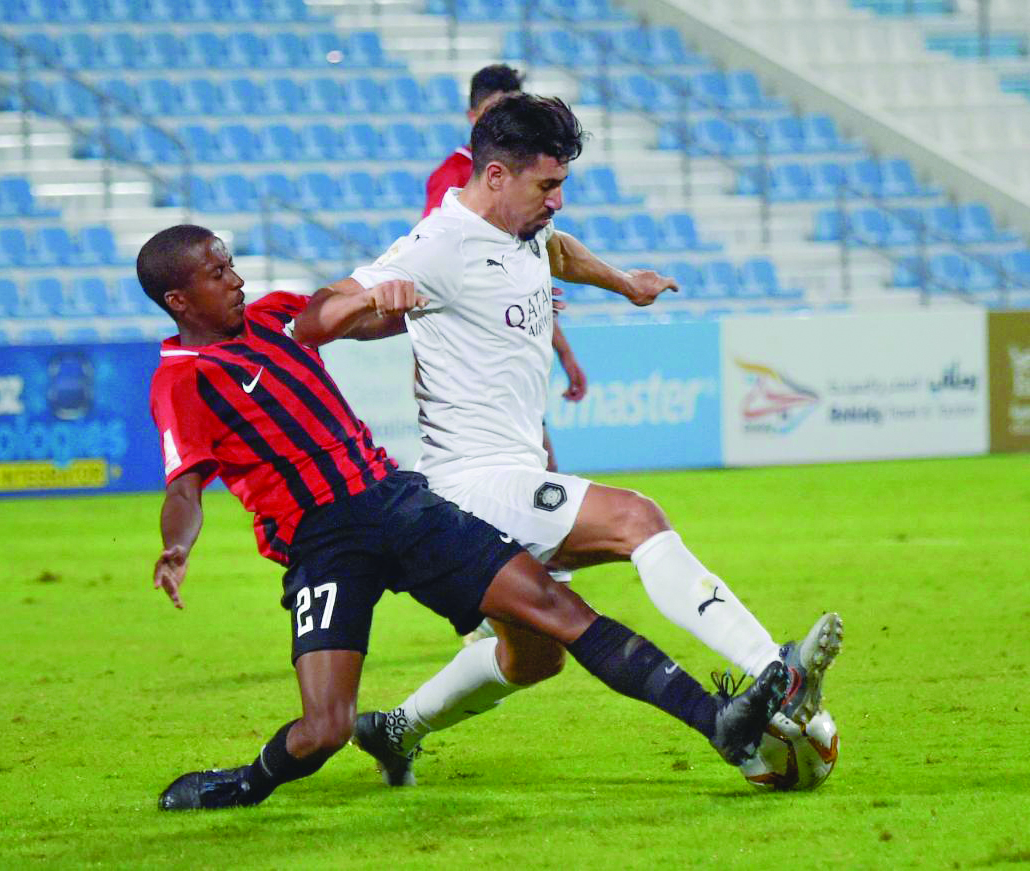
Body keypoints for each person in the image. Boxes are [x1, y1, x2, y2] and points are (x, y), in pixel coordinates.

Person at [141, 223, 790, 810]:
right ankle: (247, 783)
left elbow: (370, 321)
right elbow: (185, 489)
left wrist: (412, 304)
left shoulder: (277, 314)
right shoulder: (181, 380)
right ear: (179, 299)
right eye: (218, 273)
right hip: (323, 540)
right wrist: (177, 547)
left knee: (555, 609)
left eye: (231, 265)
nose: (237, 279)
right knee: (326, 728)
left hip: (397, 500)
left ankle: (719, 723)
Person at [329, 94, 844, 786]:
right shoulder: (437, 244)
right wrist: (365, 303)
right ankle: (774, 670)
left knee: (533, 658)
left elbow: (560, 251)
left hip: (506, 473)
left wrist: (625, 283)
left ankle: (393, 730)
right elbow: (320, 313)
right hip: (470, 483)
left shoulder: (524, 230)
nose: (559, 200)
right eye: (548, 185)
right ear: (496, 176)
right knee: (636, 517)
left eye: (563, 183)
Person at [427, 64, 587, 646]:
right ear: (474, 117)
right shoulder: (456, 179)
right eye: (496, 110)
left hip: (513, 339)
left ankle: (529, 586)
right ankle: (489, 596)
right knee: (498, 465)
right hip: (470, 345)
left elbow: (534, 269)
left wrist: (563, 351)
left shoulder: (530, 184)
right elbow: (446, 261)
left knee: (535, 454)